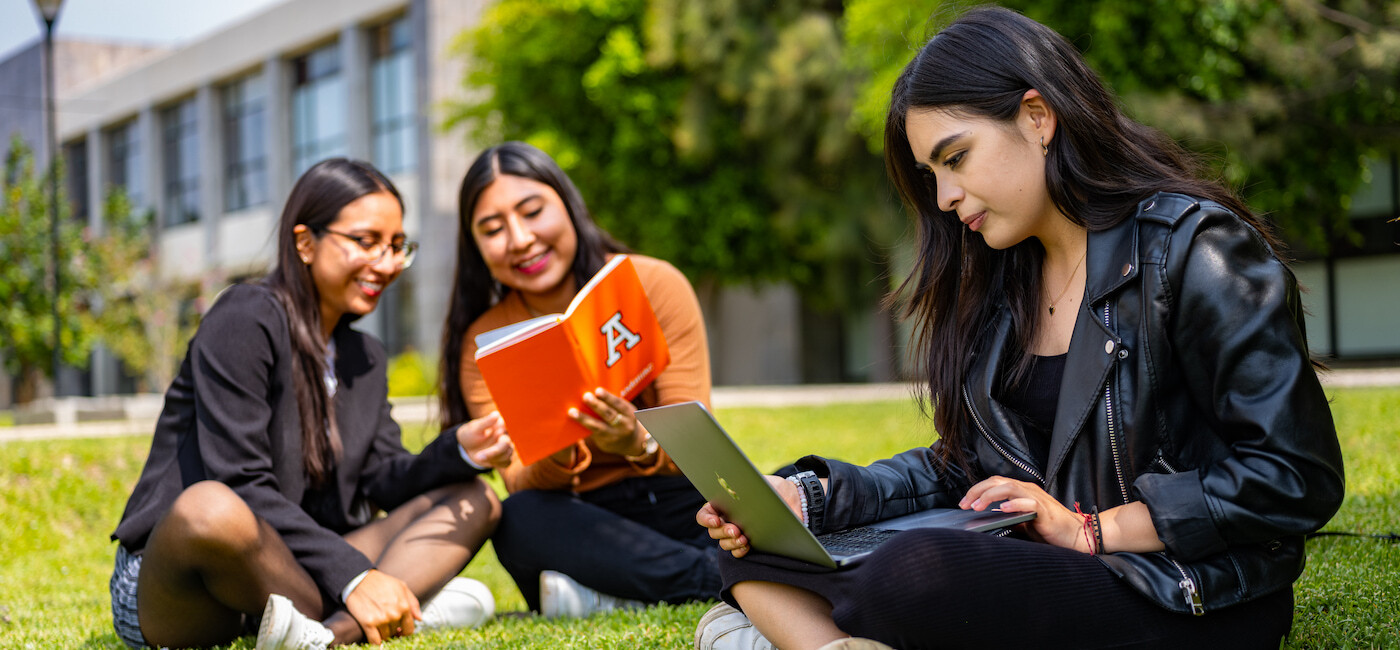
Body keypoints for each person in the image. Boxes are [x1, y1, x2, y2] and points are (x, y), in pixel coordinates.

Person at [695, 7, 1346, 650]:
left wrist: (1092, 529)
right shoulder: (1004, 283)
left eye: (956, 158)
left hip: (1177, 588)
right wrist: (813, 502)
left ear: (1038, 118)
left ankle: (769, 636)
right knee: (752, 542)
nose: (945, 198)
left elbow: (1294, 476)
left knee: (915, 574)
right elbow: (963, 470)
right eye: (932, 175)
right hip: (1036, 570)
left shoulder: (1195, 252)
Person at [109, 158, 513, 650]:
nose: (386, 264)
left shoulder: (364, 356)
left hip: (296, 568)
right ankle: (398, 606)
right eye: (366, 242)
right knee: (209, 507)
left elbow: (384, 477)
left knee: (475, 498)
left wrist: (459, 451)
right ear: (305, 242)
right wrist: (356, 577)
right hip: (193, 580)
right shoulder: (245, 317)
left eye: (396, 246)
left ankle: (331, 635)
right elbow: (238, 480)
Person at [440, 141, 719, 617]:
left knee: (795, 480)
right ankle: (720, 579)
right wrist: (561, 439)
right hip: (580, 516)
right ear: (476, 247)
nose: (521, 238)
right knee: (519, 520)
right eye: (493, 229)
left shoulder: (653, 284)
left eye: (532, 212)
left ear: (568, 206)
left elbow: (698, 446)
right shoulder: (483, 342)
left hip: (678, 500)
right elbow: (520, 479)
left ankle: (610, 595)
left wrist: (637, 440)